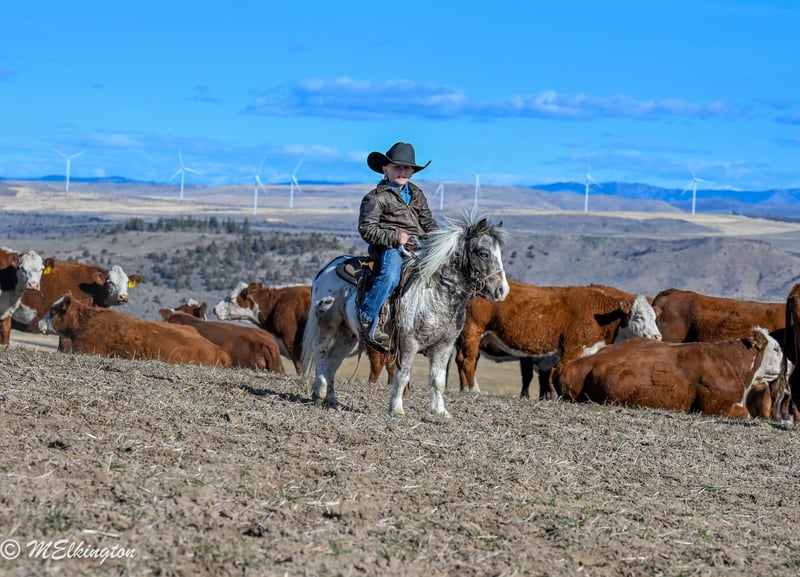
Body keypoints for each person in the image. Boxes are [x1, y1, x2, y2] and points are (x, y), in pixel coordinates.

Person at [358, 142, 438, 348]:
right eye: (397, 167)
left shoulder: (417, 193)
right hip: (391, 247)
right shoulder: (375, 198)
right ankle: (367, 315)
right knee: (391, 275)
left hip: (419, 245)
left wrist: (436, 236)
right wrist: (395, 237)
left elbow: (427, 220)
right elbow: (367, 229)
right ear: (385, 169)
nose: (402, 171)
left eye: (407, 168)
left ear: (412, 171)